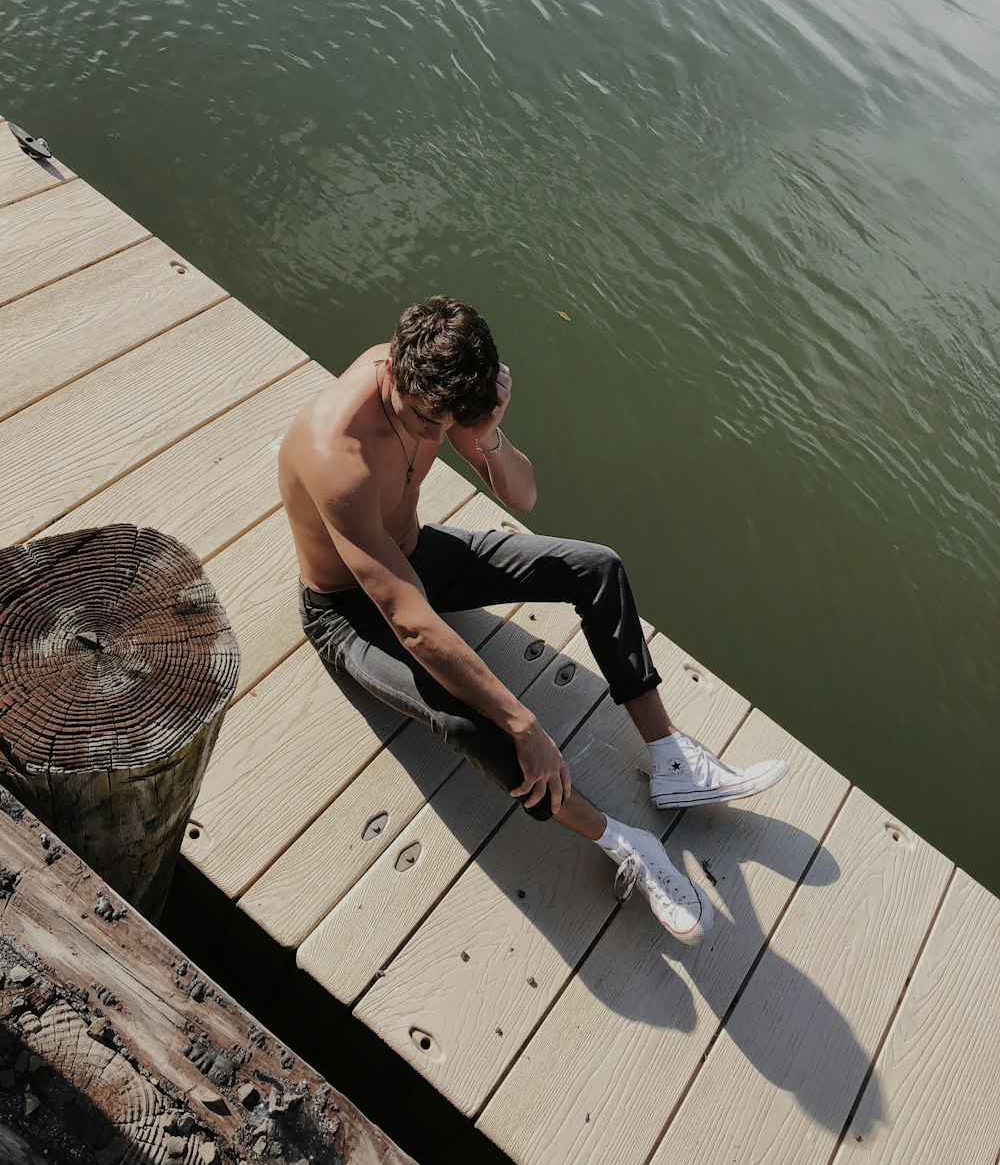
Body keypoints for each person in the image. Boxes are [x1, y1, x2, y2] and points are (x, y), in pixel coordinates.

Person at [278, 297, 788, 944]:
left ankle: (670, 757)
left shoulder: (442, 390)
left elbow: (522, 495)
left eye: (451, 421)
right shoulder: (337, 452)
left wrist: (489, 430)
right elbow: (409, 622)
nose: (438, 432)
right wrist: (523, 723)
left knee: (596, 566)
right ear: (397, 371)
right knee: (470, 718)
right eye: (430, 420)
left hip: (413, 555)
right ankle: (624, 842)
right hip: (348, 612)